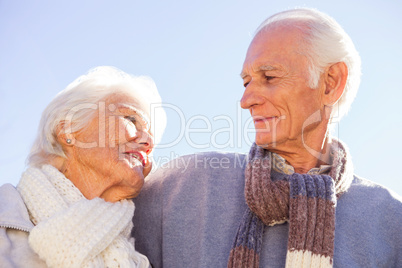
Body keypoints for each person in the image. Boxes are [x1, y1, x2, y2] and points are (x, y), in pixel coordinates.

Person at [132, 8, 402, 268]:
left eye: (269, 76)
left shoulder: (391, 220)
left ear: (330, 82)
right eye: (246, 82)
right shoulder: (184, 186)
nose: (246, 100)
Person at [0, 66, 166, 267]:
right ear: (68, 129)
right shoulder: (6, 214)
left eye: (151, 136)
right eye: (131, 119)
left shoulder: (146, 250)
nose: (149, 141)